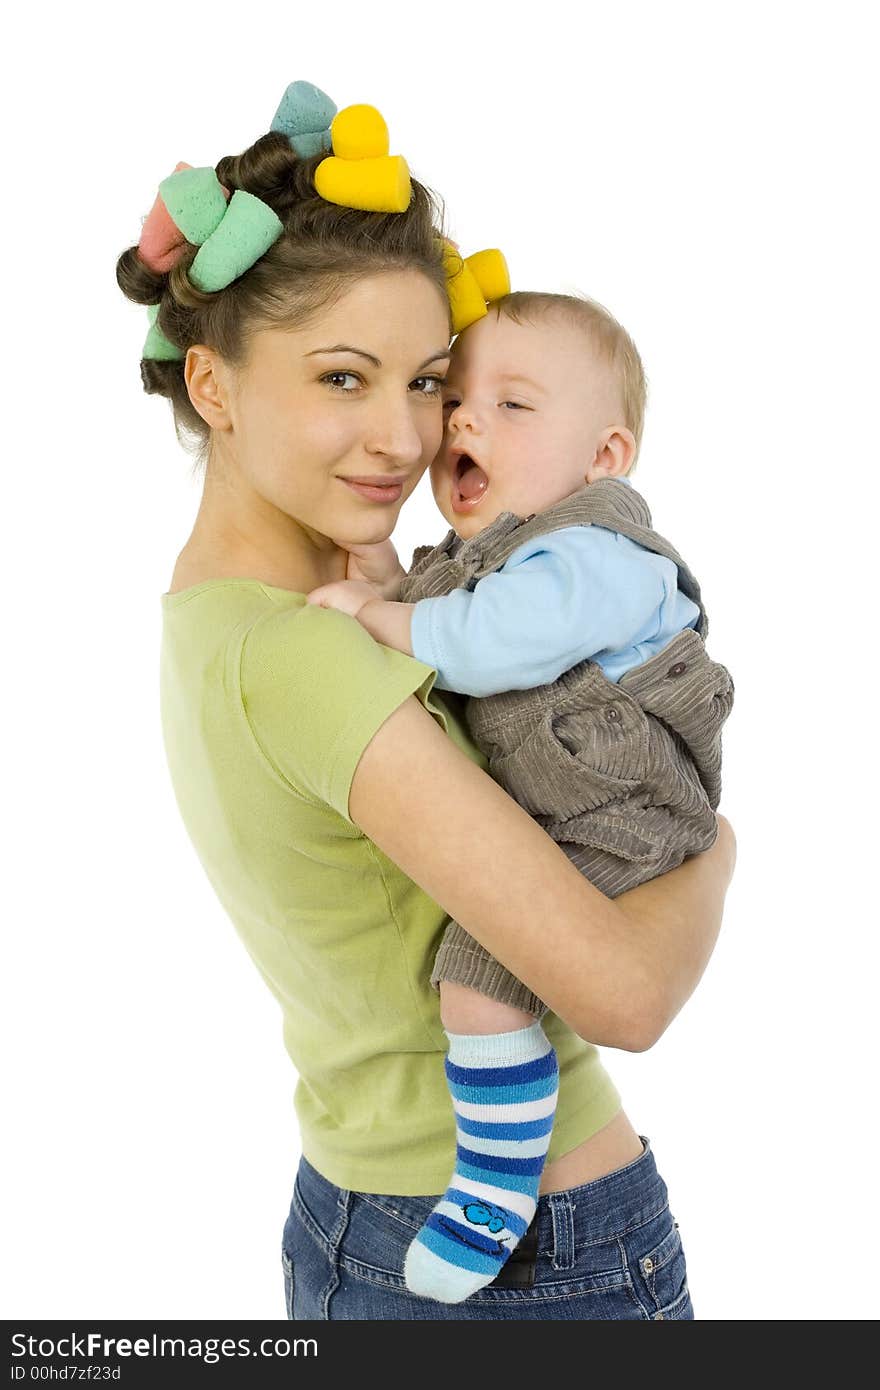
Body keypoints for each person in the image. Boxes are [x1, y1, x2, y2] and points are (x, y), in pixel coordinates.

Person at [116, 83, 736, 1320]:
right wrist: (717, 847)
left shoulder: (215, 614)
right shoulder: (313, 652)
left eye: (426, 383)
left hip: (353, 1206)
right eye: (343, 378)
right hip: (532, 1258)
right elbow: (628, 995)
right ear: (214, 385)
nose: (405, 438)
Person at [306, 291, 734, 1302]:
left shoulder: (598, 554)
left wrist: (376, 612)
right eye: (455, 399)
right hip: (568, 808)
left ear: (604, 456)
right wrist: (383, 582)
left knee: (479, 983)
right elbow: (458, 610)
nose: (464, 420)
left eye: (512, 405)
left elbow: (492, 641)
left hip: (629, 809)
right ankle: (494, 1177)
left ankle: (494, 1190)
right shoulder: (500, 557)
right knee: (476, 979)